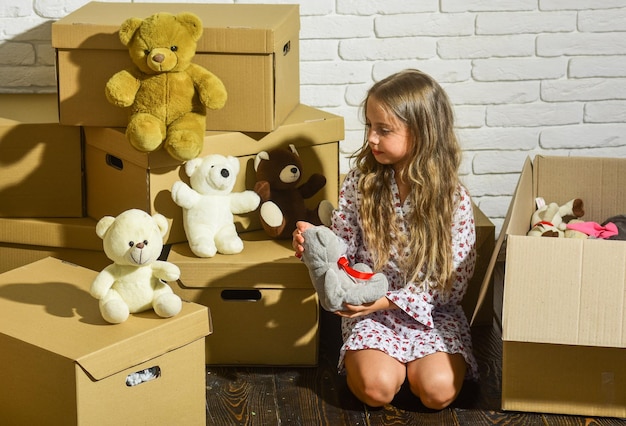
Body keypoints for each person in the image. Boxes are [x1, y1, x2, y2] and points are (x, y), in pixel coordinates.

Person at [292, 69, 478, 410]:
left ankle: (419, 368)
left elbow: (452, 285)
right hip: (370, 310)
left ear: (421, 134)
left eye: (383, 129)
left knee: (438, 393)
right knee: (376, 391)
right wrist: (317, 244)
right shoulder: (361, 183)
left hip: (432, 313)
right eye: (369, 126)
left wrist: (390, 301)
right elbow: (343, 246)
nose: (371, 139)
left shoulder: (453, 199)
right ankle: (390, 366)